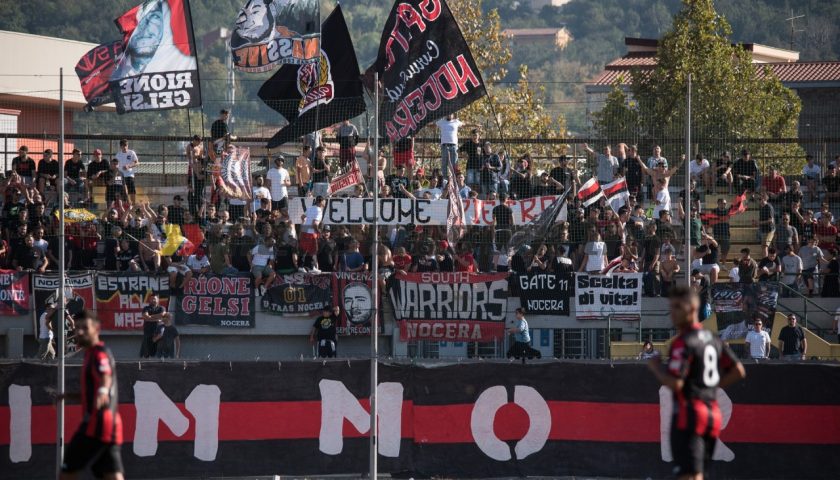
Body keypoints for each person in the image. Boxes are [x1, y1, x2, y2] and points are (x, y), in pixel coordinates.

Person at [647, 286, 745, 480]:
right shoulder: (712, 338)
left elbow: (676, 385)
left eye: (677, 308)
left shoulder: (683, 342)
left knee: (686, 472)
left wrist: (656, 367)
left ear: (691, 309)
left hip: (690, 416)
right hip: (709, 415)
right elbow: (739, 371)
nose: (672, 313)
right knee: (695, 470)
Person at [58, 310, 124, 480]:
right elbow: (92, 393)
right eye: (77, 328)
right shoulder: (90, 354)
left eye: (85, 328)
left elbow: (105, 376)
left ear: (96, 329)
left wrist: (103, 390)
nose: (79, 332)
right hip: (111, 423)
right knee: (111, 474)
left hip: (97, 424)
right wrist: (69, 396)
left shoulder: (98, 354)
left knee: (67, 472)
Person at [436, 114, 463, 185]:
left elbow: (464, 124)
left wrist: (475, 125)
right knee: (444, 163)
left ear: (453, 115)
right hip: (444, 146)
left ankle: (454, 180)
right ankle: (445, 181)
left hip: (454, 146)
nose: (449, 115)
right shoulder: (441, 121)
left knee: (454, 164)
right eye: (447, 114)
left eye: (450, 114)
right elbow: (433, 124)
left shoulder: (456, 121)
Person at [116, 139, 139, 205]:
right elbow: (115, 165)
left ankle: (133, 206)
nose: (125, 147)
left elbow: (137, 163)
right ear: (120, 146)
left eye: (126, 145)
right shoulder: (118, 155)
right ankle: (123, 206)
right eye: (123, 145)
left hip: (129, 175)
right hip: (120, 176)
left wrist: (129, 166)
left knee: (132, 191)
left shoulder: (131, 153)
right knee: (120, 192)